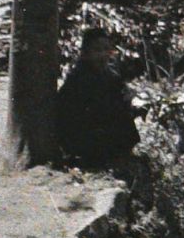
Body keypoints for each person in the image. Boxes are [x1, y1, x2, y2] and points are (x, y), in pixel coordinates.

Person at [52, 27, 139, 172]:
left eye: (106, 49)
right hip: (83, 135)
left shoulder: (110, 75)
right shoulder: (79, 78)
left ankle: (122, 156)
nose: (103, 55)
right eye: (97, 50)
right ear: (85, 53)